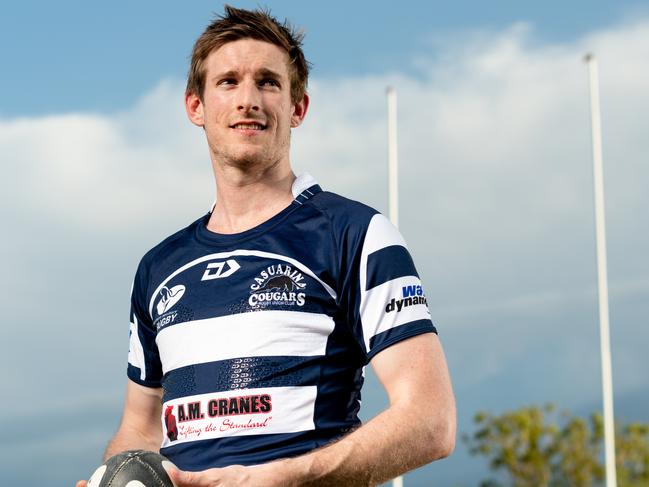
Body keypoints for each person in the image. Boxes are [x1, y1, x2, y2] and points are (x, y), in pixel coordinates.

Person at [78, 5, 455, 486]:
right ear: (196, 106)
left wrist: (287, 477)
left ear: (298, 108)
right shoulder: (158, 267)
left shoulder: (356, 233)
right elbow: (140, 427)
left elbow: (431, 420)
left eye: (268, 82)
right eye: (228, 81)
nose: (248, 100)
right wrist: (114, 475)